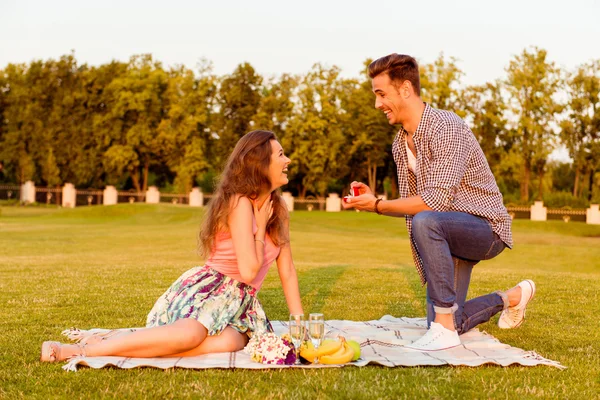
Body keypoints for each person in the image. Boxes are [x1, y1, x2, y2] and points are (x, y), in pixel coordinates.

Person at [41, 130, 303, 362]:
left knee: (230, 343)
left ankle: (121, 342)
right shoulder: (240, 203)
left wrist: (299, 325)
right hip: (211, 290)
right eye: (280, 154)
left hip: (240, 302)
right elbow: (248, 271)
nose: (287, 160)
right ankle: (78, 351)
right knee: (191, 334)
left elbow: (287, 270)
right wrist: (258, 228)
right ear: (260, 163)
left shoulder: (278, 209)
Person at [342, 53, 535, 351]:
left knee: (427, 222)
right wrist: (373, 199)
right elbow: (414, 204)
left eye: (381, 94)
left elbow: (433, 203)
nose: (377, 104)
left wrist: (378, 205)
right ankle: (512, 297)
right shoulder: (399, 143)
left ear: (405, 89)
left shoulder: (447, 127)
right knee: (450, 323)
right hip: (446, 231)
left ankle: (443, 323)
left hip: (486, 229)